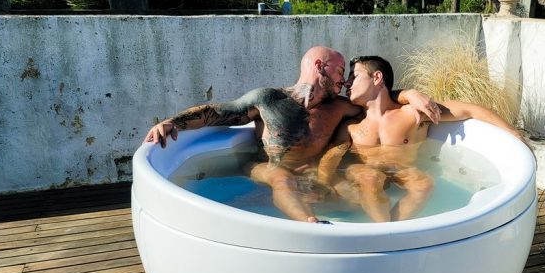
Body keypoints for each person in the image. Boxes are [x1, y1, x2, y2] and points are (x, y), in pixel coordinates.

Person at [144, 46, 442, 223]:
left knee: (360, 195)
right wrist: (172, 122)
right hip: (268, 169)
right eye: (340, 71)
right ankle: (310, 225)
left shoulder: (339, 107)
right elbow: (219, 112)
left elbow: (379, 98)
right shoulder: (268, 99)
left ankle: (385, 237)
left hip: (314, 175)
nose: (344, 81)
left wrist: (411, 94)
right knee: (281, 177)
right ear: (319, 66)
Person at [317, 55, 523, 222]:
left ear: (377, 77)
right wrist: (327, 184)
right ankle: (384, 232)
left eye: (354, 76)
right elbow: (331, 157)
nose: (347, 83)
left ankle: (393, 230)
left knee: (424, 183)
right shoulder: (352, 127)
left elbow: (469, 110)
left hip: (400, 170)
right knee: (371, 178)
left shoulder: (413, 114)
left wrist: (513, 133)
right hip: (363, 171)